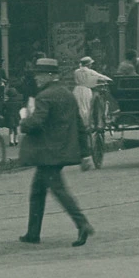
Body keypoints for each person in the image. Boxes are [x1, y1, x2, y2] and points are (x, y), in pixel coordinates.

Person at [18, 59, 94, 247]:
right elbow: (80, 126)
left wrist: (23, 122)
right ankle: (32, 233)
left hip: (47, 153)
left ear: (50, 76)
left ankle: (82, 223)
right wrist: (86, 154)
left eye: (39, 74)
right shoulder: (67, 94)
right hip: (60, 151)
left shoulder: (45, 96)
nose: (36, 78)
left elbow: (37, 122)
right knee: (37, 191)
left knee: (59, 191)